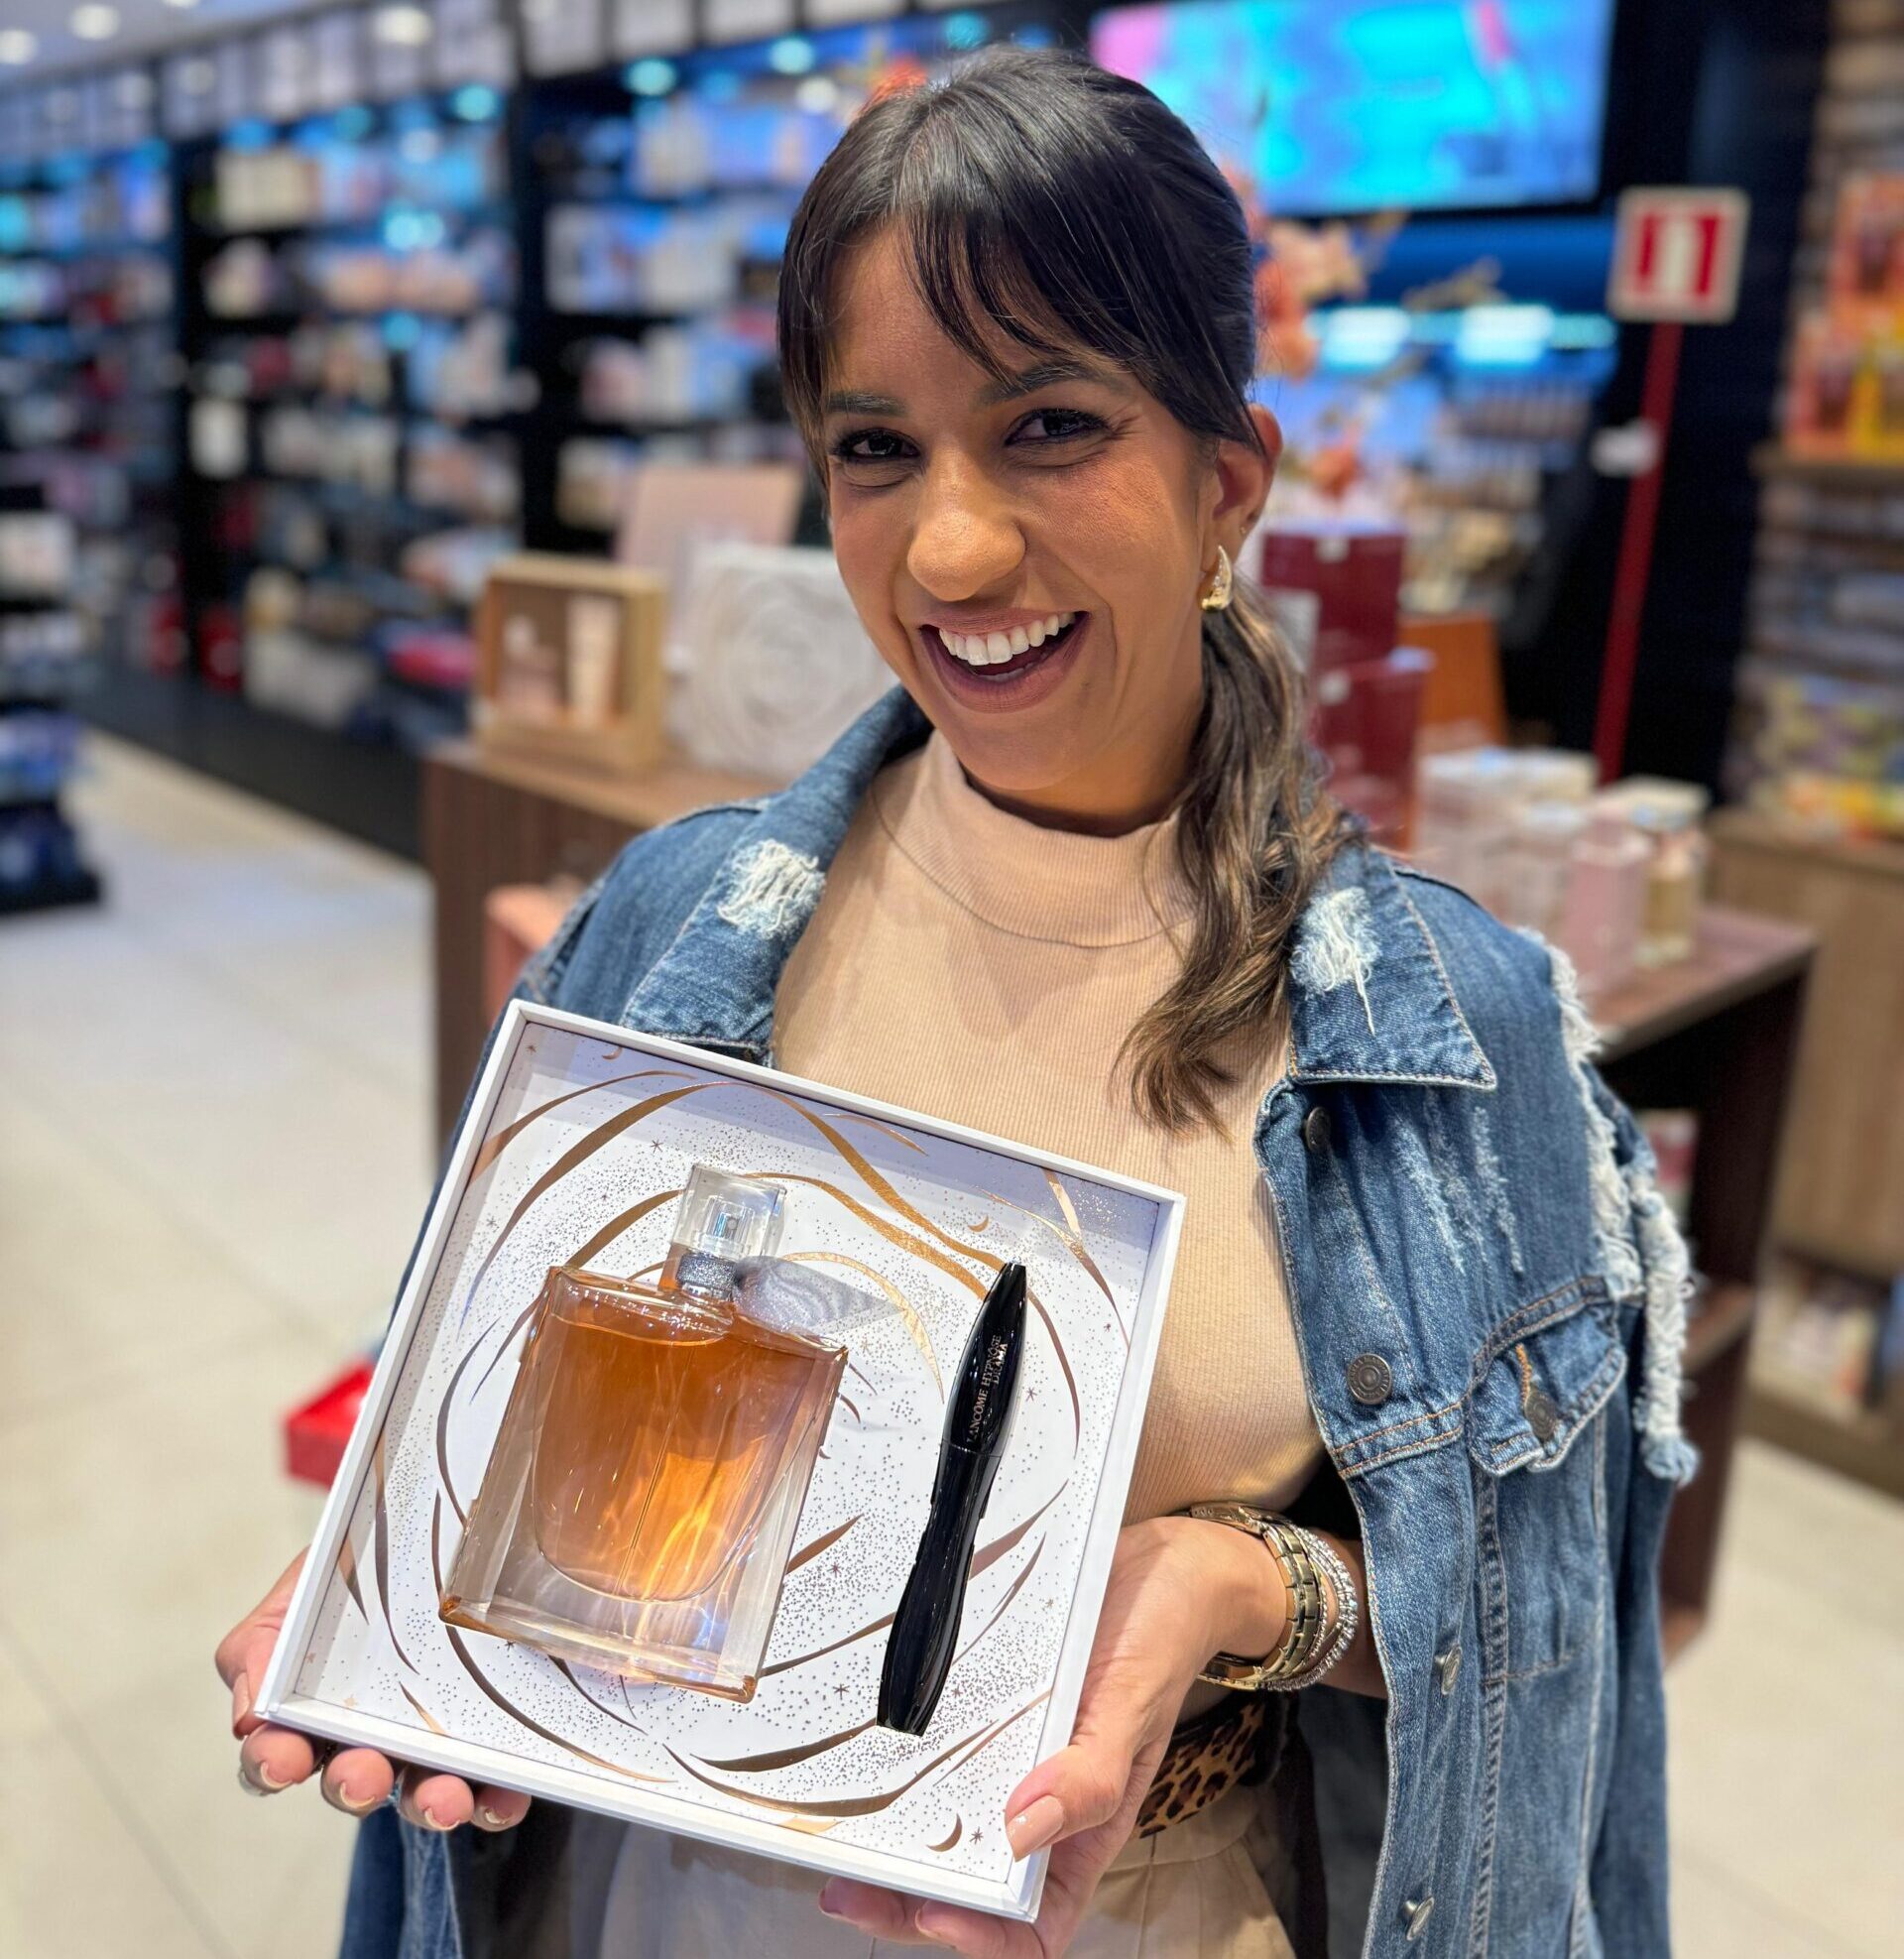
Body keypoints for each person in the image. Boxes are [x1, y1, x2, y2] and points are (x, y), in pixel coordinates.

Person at [216, 44, 1694, 1959]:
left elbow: (1546, 1631)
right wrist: (389, 1591)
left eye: (1053, 425)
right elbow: (510, 1415)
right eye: (875, 449)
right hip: (653, 1901)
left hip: (1152, 1914)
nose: (950, 549)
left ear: (1228, 478)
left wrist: (1246, 1586)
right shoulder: (669, 921)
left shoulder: (1458, 1039)